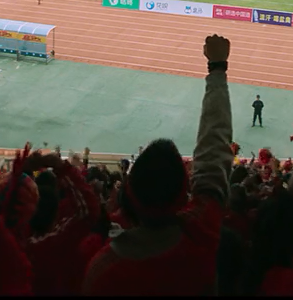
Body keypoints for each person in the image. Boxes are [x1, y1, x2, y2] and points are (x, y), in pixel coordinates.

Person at [82, 34, 231, 295]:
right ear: (184, 194)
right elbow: (213, 157)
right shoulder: (200, 231)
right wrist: (217, 68)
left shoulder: (102, 268)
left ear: (128, 193)